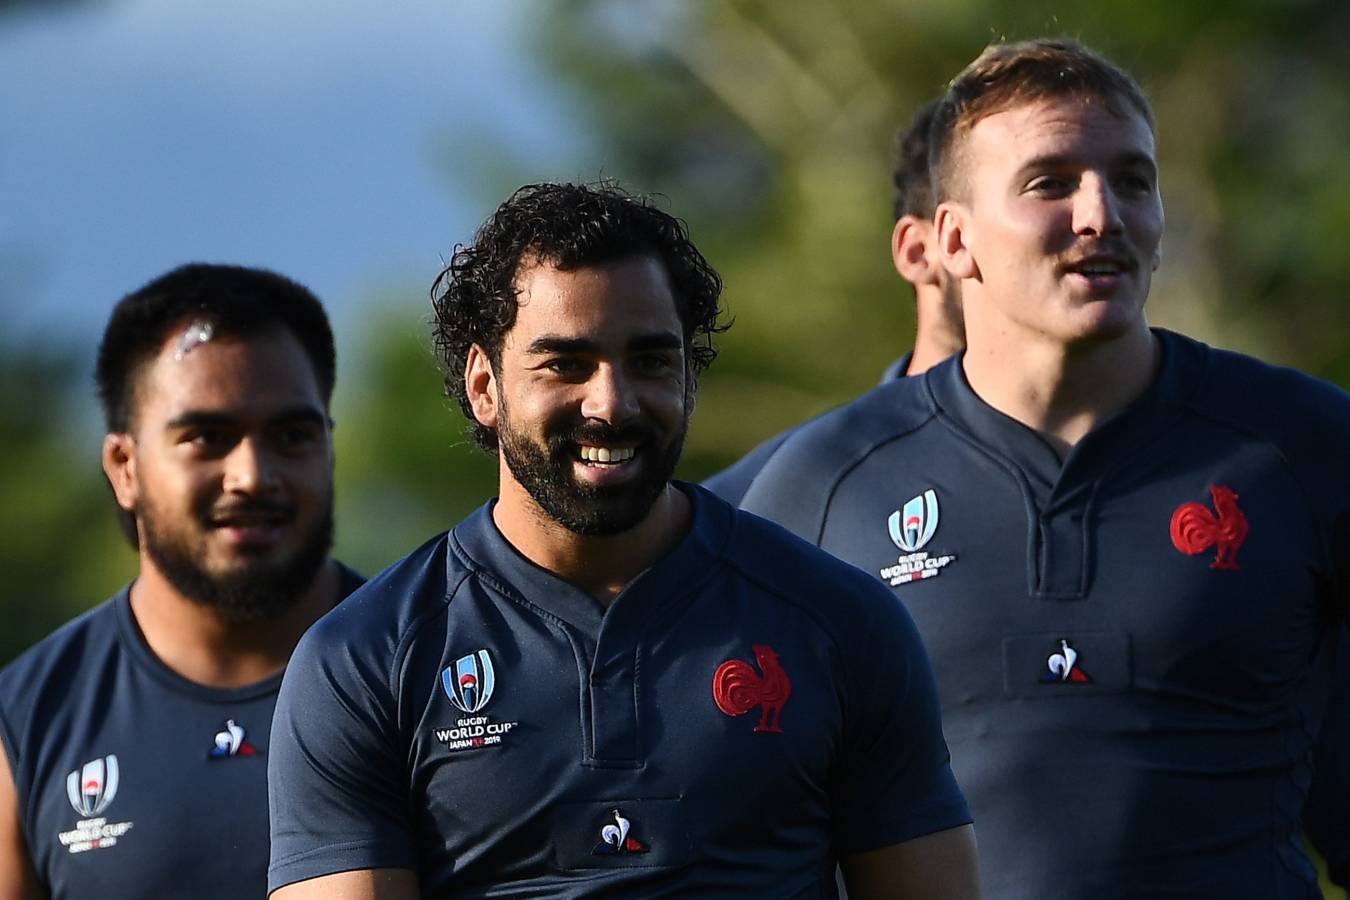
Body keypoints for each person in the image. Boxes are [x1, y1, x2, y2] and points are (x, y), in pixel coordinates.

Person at [732, 39, 1350, 897]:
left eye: (1132, 180)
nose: (1102, 214)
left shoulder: (1305, 446)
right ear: (953, 240)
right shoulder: (823, 487)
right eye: (1050, 183)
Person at [266, 182, 981, 899]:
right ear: (485, 385)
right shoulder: (365, 660)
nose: (612, 403)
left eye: (650, 361)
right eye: (565, 364)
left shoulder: (841, 624)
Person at [0, 264, 364, 900]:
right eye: (207, 437)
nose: (253, 474)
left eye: (291, 435)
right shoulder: (27, 724)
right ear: (125, 466)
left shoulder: (433, 671)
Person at [704, 98, 963, 505]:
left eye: (1105, 185)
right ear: (918, 251)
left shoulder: (1093, 463)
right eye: (1045, 188)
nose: (1094, 219)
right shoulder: (784, 486)